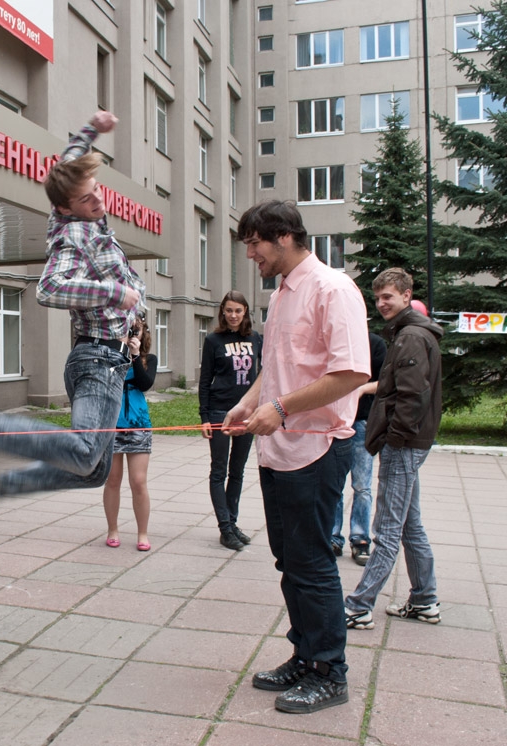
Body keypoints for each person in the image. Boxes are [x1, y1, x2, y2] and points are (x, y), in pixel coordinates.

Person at [0, 110, 146, 536]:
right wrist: (114, 293)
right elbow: (49, 288)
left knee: (93, 471)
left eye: (97, 192)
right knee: (84, 454)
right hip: (98, 359)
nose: (98, 204)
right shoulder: (71, 236)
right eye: (87, 200)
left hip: (111, 361)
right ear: (65, 207)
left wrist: (90, 129)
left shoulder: (82, 206)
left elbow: (70, 161)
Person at [224, 200, 369, 715]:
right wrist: (249, 404)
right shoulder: (281, 294)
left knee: (311, 565)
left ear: (284, 236)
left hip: (317, 446)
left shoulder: (333, 288)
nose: (250, 253)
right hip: (277, 448)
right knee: (289, 561)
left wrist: (281, 408)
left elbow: (350, 373)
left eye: (254, 242)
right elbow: (276, 363)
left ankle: (330, 672)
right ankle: (305, 655)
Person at [345, 268, 443, 630]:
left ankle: (358, 606)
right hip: (412, 442)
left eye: (389, 296)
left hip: (405, 444)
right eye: (378, 297)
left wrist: (394, 438)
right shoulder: (410, 333)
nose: (382, 303)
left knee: (386, 528)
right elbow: (395, 385)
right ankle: (424, 599)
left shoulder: (411, 337)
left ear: (406, 295)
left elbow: (413, 395)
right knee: (410, 525)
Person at [199, 291, 262, 551]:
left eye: (238, 310)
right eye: (229, 311)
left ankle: (232, 524)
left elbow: (262, 375)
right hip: (219, 412)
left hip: (246, 413)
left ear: (245, 311)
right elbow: (205, 380)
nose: (233, 315)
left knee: (237, 471)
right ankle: (225, 528)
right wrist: (204, 416)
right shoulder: (213, 340)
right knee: (219, 471)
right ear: (222, 312)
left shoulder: (256, 338)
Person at [331, 331, 387, 565]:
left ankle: (360, 539)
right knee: (334, 484)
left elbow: (386, 382)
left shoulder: (374, 344)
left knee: (362, 486)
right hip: (336, 421)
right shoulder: (337, 343)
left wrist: (363, 389)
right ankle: (333, 536)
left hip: (362, 422)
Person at [102, 314, 156, 551]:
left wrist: (134, 356)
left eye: (137, 330)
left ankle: (142, 533)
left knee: (138, 481)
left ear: (144, 335)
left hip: (138, 424)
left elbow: (145, 384)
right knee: (112, 480)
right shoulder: (108, 357)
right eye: (129, 330)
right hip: (112, 423)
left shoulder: (148, 359)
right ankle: (112, 529)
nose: (133, 334)